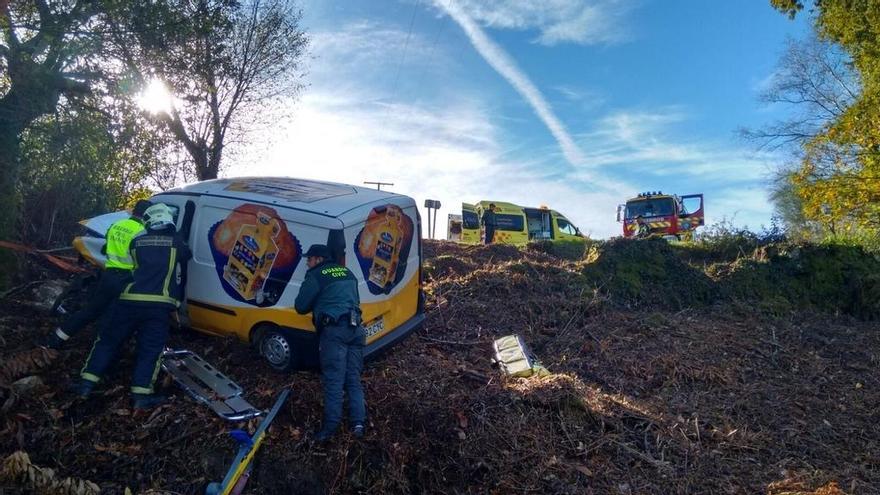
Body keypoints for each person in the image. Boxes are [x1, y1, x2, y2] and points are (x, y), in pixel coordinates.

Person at [73, 203, 191, 410]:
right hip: (158, 306)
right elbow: (186, 256)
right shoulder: (177, 244)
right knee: (150, 350)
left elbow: (131, 267)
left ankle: (85, 386)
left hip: (129, 300)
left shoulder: (137, 242)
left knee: (107, 341)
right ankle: (140, 396)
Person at [41, 200, 152, 349]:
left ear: (133, 212)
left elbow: (106, 248)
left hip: (108, 275)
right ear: (146, 215)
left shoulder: (116, 225)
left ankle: (56, 339)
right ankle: (99, 349)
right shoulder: (142, 232)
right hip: (126, 280)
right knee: (114, 316)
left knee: (90, 310)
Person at [294, 244, 366, 442]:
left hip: (335, 331)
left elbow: (300, 306)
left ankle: (330, 429)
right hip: (356, 329)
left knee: (334, 379)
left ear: (318, 259)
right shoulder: (347, 272)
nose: (307, 263)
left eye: (309, 259)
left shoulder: (316, 275)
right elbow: (356, 300)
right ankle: (358, 424)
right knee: (353, 378)